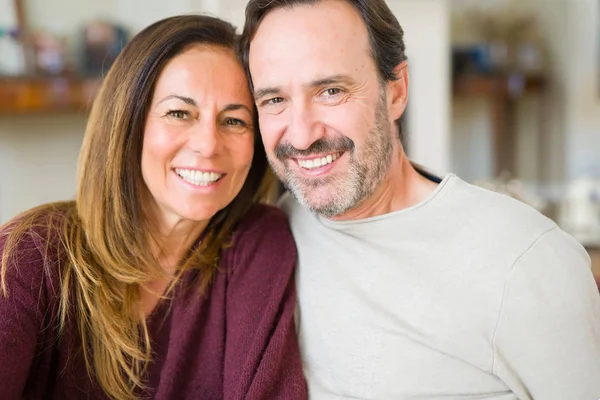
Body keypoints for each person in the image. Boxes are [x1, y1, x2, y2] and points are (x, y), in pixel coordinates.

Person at [239, 1, 600, 399]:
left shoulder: (525, 261)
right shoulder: (268, 242)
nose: (302, 136)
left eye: (331, 91)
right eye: (274, 100)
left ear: (396, 90)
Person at [0, 15, 306, 400]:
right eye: (180, 113)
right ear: (129, 121)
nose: (208, 145)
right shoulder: (30, 255)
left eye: (234, 120)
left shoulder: (259, 244)